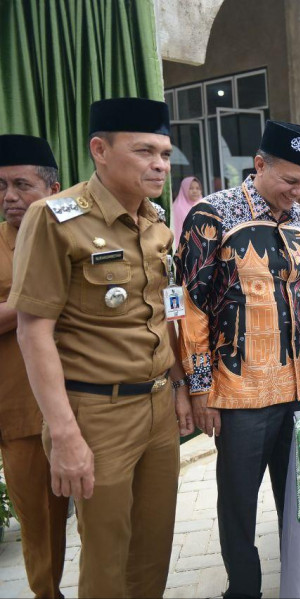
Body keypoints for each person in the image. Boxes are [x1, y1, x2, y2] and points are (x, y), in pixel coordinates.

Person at [10, 98, 194, 597]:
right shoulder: (54, 218)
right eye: (144, 151)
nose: (160, 164)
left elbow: (162, 313)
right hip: (96, 413)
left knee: (153, 549)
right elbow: (33, 331)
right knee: (107, 556)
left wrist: (180, 387)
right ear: (100, 150)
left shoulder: (156, 222)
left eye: (164, 153)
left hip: (157, 406)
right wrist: (66, 435)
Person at [177, 119, 300, 598]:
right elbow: (189, 310)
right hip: (240, 394)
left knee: (298, 499)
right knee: (238, 504)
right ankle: (244, 590)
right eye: (290, 181)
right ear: (259, 165)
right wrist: (200, 389)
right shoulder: (211, 215)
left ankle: (298, 583)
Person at [0, 134, 69, 598]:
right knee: (40, 521)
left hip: (93, 402)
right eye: (1, 186)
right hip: (22, 411)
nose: (9, 197)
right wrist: (40, 300)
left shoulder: (79, 236)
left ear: (52, 188)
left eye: (21, 185)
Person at [171, 175, 203, 249]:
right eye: (191, 188)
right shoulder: (178, 208)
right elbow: (177, 232)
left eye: (197, 188)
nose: (195, 191)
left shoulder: (204, 205)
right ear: (184, 189)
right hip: (185, 248)